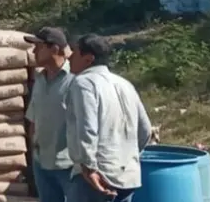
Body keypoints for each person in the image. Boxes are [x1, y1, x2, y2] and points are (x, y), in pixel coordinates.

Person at [65, 34, 152, 202]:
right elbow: (145, 130)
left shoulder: (83, 83)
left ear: (88, 59)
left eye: (75, 52)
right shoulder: (125, 84)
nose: (69, 57)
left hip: (97, 179)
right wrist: (127, 156)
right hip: (128, 177)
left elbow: (87, 128)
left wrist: (89, 169)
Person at [24, 27, 74, 202]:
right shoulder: (40, 79)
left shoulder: (75, 79)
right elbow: (33, 117)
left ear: (54, 49)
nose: (33, 51)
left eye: (38, 47)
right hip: (42, 161)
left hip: (69, 164)